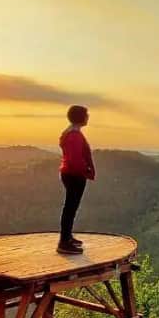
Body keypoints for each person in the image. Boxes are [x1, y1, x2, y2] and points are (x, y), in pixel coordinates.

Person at [58, 105, 95, 254]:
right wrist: (85, 170)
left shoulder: (71, 132)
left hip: (70, 174)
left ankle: (67, 237)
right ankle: (64, 242)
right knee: (70, 208)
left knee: (70, 208)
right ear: (81, 117)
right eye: (86, 114)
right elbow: (75, 159)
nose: (88, 117)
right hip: (74, 175)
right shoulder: (75, 135)